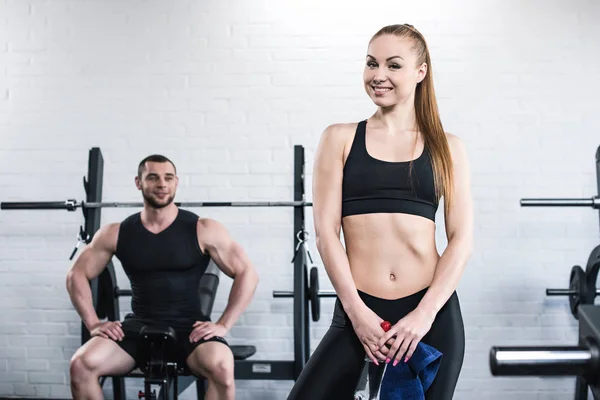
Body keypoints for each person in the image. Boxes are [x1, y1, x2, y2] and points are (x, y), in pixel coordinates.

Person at [287, 24, 473, 400]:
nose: (379, 75)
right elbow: (326, 233)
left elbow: (461, 239)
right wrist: (356, 313)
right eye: (372, 64)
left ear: (420, 72)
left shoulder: (447, 147)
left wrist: (423, 315)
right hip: (359, 310)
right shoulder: (339, 138)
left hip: (430, 315)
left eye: (393, 65)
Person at [67, 154, 259, 400]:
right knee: (81, 365)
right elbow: (76, 275)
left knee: (222, 367)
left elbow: (247, 273)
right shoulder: (116, 233)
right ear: (138, 182)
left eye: (168, 178)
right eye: (153, 177)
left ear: (176, 182)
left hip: (190, 330)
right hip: (137, 329)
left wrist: (223, 325)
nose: (162, 184)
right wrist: (94, 323)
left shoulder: (203, 229)